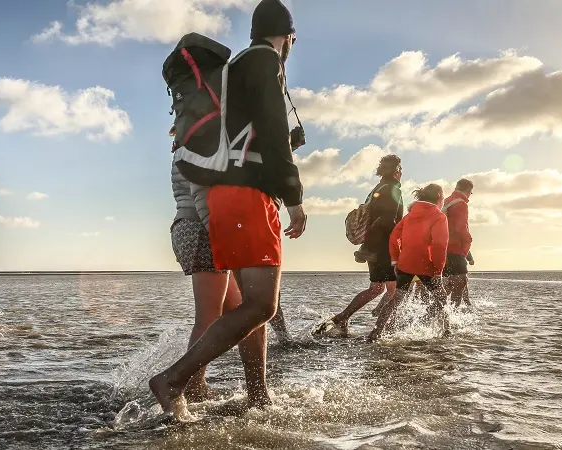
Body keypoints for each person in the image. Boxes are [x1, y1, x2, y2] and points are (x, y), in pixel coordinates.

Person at [150, 0, 307, 418]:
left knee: (247, 305)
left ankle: (258, 394)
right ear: (287, 36)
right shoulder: (263, 60)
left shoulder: (234, 70)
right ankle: (174, 379)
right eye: (292, 39)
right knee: (262, 306)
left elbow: (250, 135)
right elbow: (273, 135)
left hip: (224, 196)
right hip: (246, 196)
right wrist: (294, 199)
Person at [170, 154, 266, 403]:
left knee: (244, 313)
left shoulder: (189, 135)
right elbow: (206, 189)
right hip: (204, 229)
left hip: (194, 227)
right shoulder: (200, 139)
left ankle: (254, 393)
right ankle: (190, 387)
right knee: (208, 317)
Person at [314, 155, 403, 337]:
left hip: (371, 246)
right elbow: (387, 220)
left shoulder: (376, 189)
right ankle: (383, 331)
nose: (401, 173)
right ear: (396, 171)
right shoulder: (393, 189)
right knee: (395, 290)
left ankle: (342, 318)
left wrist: (367, 246)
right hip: (385, 247)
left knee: (376, 288)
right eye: (400, 169)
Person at [368, 184, 450, 342]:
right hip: (426, 266)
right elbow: (440, 245)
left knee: (396, 299)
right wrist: (438, 271)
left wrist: (395, 259)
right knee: (442, 298)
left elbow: (393, 237)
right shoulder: (439, 217)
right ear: (440, 196)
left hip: (404, 264)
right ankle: (446, 331)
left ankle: (375, 334)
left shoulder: (409, 216)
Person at [442, 179, 474, 308]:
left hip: (444, 248)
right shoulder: (461, 204)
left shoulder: (447, 201)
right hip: (456, 249)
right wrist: (468, 241)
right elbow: (461, 228)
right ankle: (452, 316)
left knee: (448, 285)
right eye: (470, 193)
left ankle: (434, 313)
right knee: (460, 283)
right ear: (468, 191)